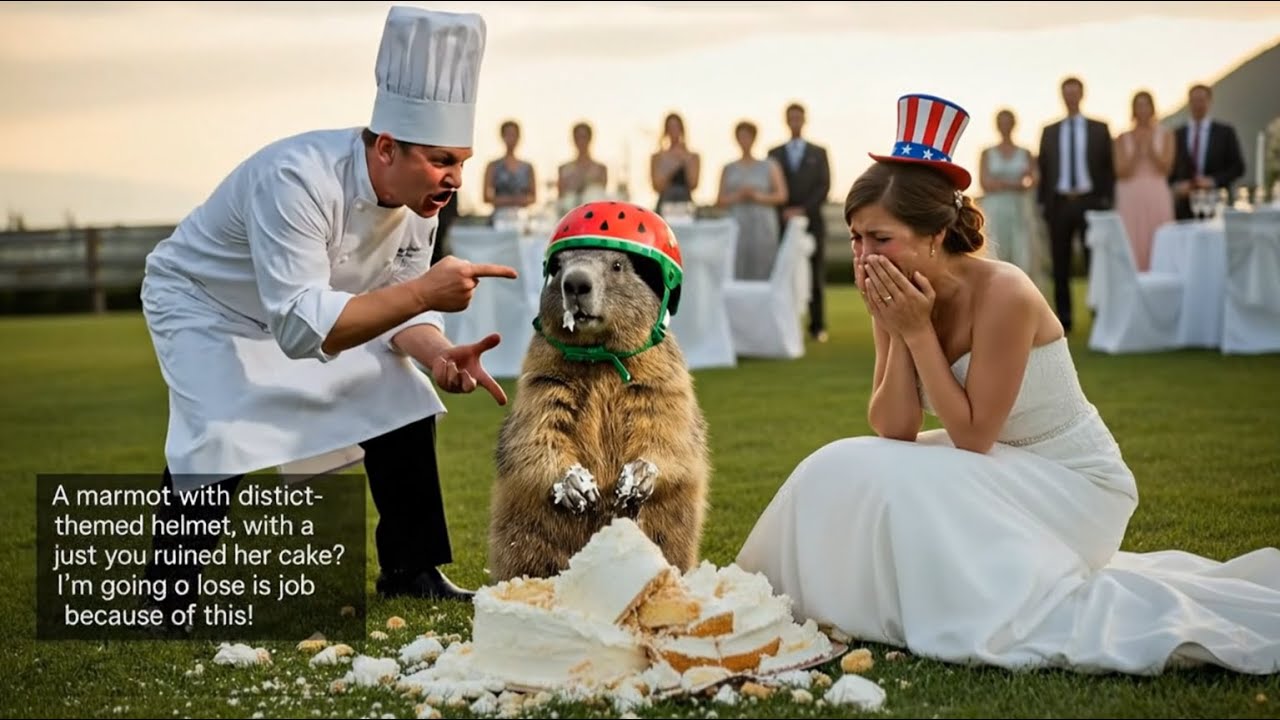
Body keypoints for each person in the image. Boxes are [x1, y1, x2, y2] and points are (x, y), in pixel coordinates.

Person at [736, 93, 1280, 676]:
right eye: (856, 238)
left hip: (1074, 484)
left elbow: (971, 435)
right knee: (841, 462)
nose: (865, 255)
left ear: (935, 235)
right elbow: (894, 428)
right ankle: (785, 599)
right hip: (998, 468)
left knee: (902, 480)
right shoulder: (894, 292)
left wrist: (918, 334)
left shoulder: (1005, 293)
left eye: (880, 238)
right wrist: (896, 330)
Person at [138, 6, 519, 628]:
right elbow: (301, 327)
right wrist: (425, 293)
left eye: (461, 162)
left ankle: (411, 570)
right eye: (441, 159)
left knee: (401, 393)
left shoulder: (422, 201)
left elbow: (395, 302)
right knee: (219, 435)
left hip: (310, 306)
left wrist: (436, 353)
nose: (453, 178)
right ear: (388, 146)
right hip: (204, 304)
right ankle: (167, 599)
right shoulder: (296, 178)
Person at [1036, 77, 1114, 333]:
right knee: (1061, 264)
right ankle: (1065, 320)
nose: (1071, 97)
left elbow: (1107, 168)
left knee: (1095, 260)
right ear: (1062, 96)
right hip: (1059, 205)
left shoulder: (1099, 129)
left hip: (1090, 203)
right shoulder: (1049, 131)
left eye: (1075, 92)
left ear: (1082, 95)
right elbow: (1044, 170)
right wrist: (1043, 205)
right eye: (1066, 93)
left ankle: (1099, 314)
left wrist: (1106, 201)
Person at [767, 102, 831, 342]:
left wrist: (801, 210)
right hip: (782, 224)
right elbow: (771, 185)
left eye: (798, 117)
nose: (795, 121)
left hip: (812, 222)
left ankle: (817, 326)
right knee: (783, 273)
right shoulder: (774, 154)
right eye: (791, 117)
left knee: (815, 274)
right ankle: (786, 324)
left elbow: (824, 186)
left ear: (804, 120)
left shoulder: (819, 153)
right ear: (786, 120)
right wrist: (785, 210)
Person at [716, 120, 788, 280]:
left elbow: (781, 195)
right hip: (737, 224)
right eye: (741, 136)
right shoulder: (728, 168)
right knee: (736, 267)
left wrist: (757, 196)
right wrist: (738, 196)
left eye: (747, 136)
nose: (744, 140)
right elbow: (720, 200)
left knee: (765, 267)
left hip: (763, 226)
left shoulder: (770, 166)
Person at [1113, 90, 1175, 271]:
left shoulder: (1166, 134)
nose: (1142, 109)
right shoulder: (1122, 137)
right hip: (1130, 193)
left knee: (1159, 235)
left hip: (1156, 191)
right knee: (1132, 237)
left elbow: (1166, 168)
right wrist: (1136, 151)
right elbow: (1121, 171)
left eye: (1146, 104)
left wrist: (1150, 149)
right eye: (1138, 105)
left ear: (1152, 108)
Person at [1168, 83, 1246, 221]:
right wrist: (1178, 186)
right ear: (1189, 103)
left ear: (1209, 102)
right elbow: (1170, 170)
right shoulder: (1176, 135)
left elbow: (1238, 167)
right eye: (1194, 101)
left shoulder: (1225, 132)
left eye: (1201, 100)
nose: (1198, 105)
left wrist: (1213, 181)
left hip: (1218, 204)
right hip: (1184, 208)